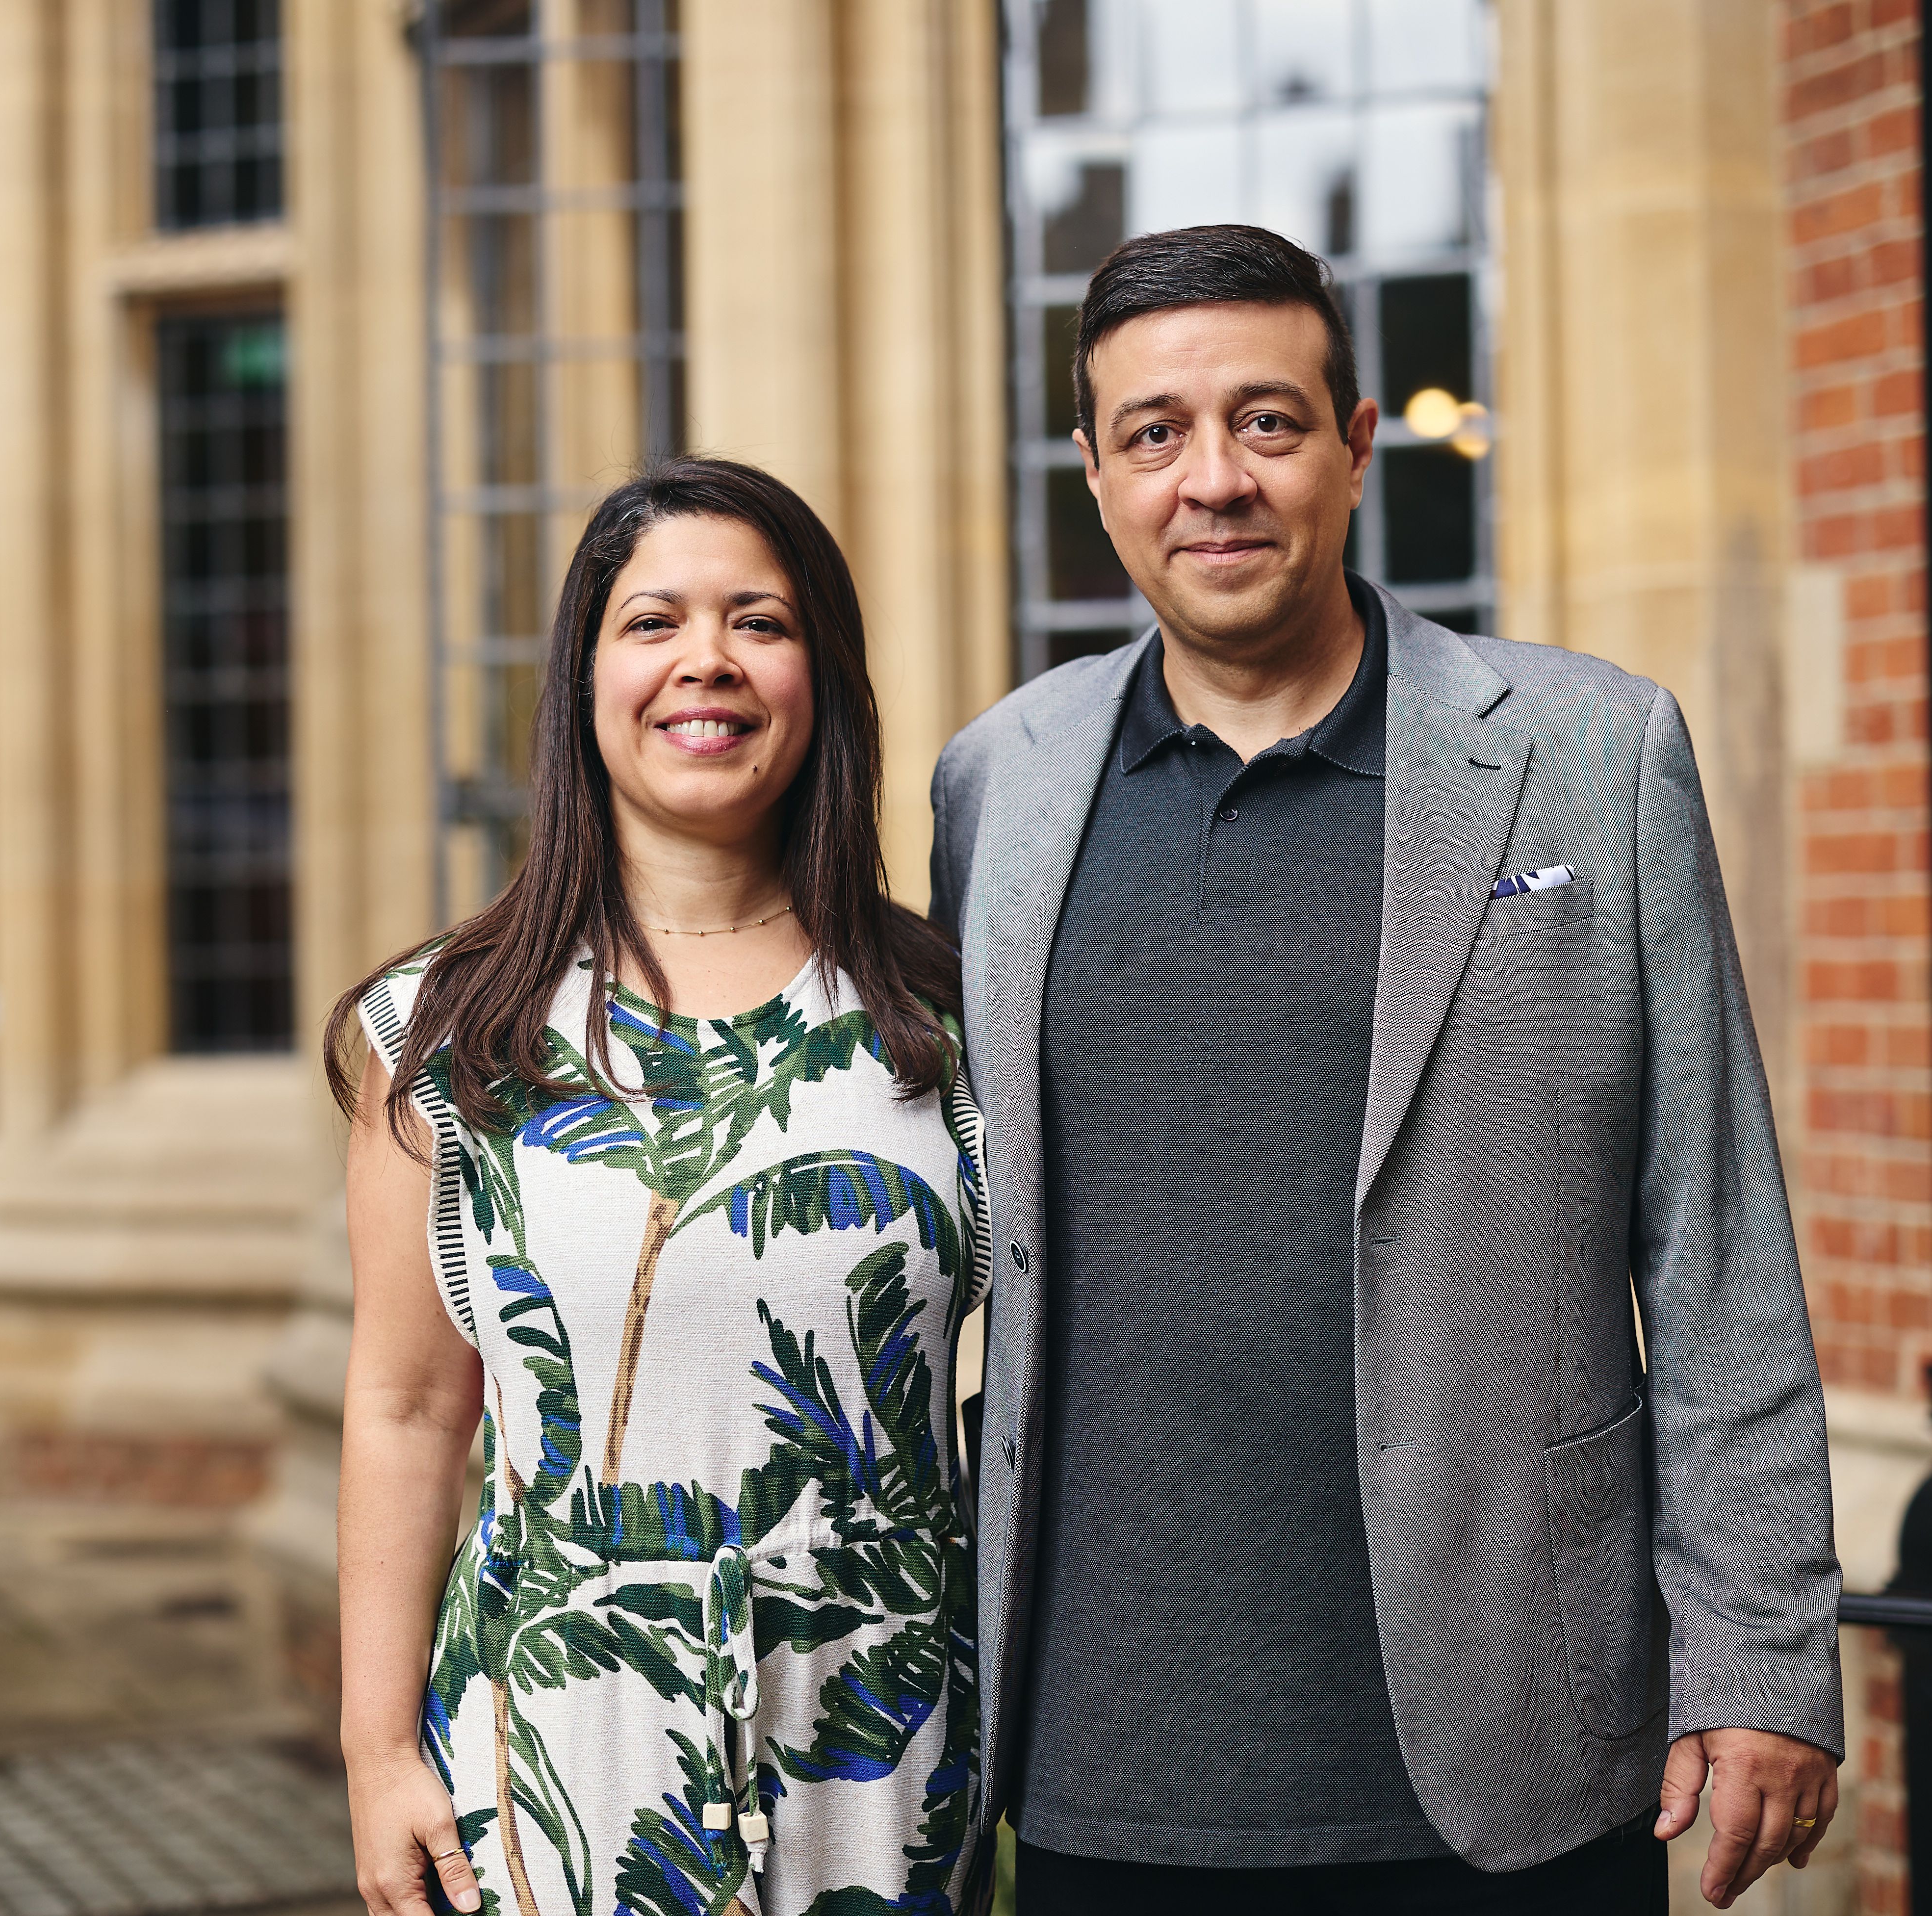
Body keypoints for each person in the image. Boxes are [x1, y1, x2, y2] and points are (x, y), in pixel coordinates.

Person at [929, 225, 1844, 1915]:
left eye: (1267, 423)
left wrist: (1761, 1651)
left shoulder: (1590, 750)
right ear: (1094, 474)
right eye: (1154, 434)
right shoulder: (998, 782)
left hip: (1513, 1745)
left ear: (1355, 444)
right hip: (1094, 1765)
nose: (1212, 479)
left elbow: (1711, 1236)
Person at [332, 458, 987, 1916]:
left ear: (820, 677)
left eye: (758, 621)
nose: (707, 660)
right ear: (581, 679)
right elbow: (405, 1403)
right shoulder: (445, 1033)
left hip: (878, 1758)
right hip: (555, 1759)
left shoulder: (952, 1020)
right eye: (653, 623)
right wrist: (377, 1748)